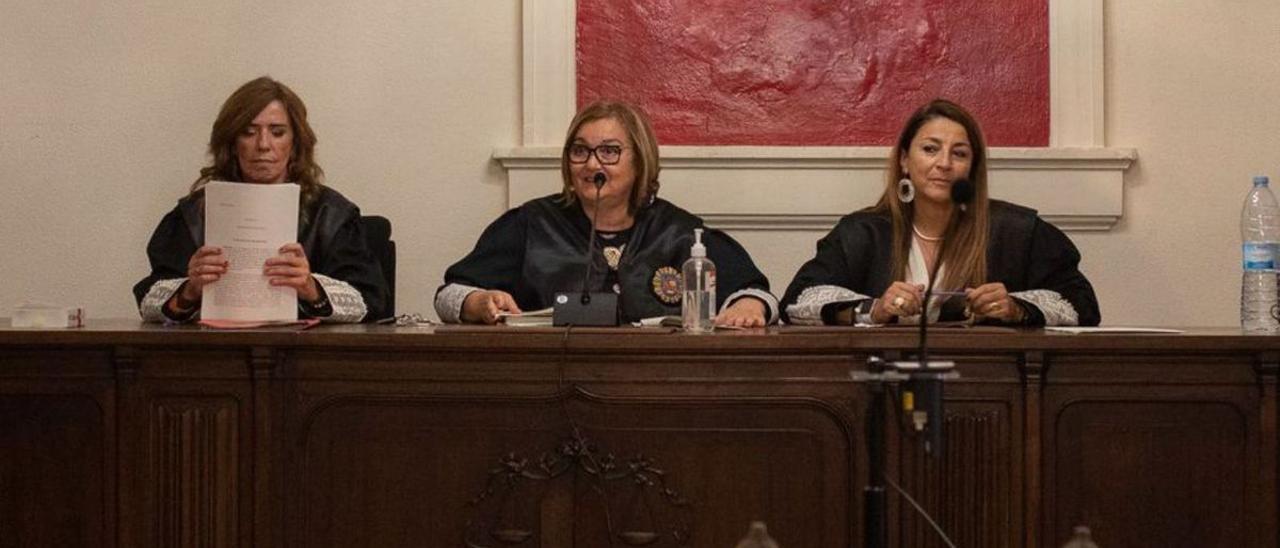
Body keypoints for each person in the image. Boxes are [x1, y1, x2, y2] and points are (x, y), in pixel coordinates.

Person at [436, 100, 777, 326]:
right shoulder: (530, 223)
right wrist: (476, 302)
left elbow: (757, 292)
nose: (592, 163)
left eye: (609, 152)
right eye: (580, 151)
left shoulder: (680, 232)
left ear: (640, 160)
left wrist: (750, 306)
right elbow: (449, 294)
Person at [781, 99, 1100, 327]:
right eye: (930, 149)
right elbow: (798, 301)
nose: (944, 164)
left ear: (972, 168)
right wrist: (873, 310)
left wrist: (1017, 308)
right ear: (905, 160)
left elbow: (1082, 304)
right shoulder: (863, 232)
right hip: (883, 388)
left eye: (959, 153)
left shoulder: (1017, 231)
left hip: (990, 389)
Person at [133, 76, 388, 323]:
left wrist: (311, 288)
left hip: (308, 357)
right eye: (249, 132)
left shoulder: (331, 214)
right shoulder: (194, 214)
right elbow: (148, 302)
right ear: (232, 143)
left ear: (296, 143)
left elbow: (371, 300)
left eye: (277, 132)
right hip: (215, 354)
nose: (263, 144)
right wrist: (190, 290)